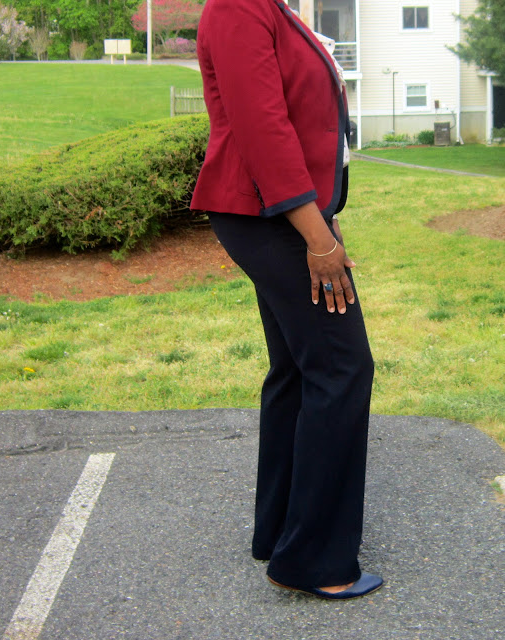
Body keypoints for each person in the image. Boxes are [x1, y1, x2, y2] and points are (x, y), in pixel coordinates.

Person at [190, 0, 383, 600]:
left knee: (299, 371)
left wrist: (320, 219)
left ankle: (279, 533)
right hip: (267, 213)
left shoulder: (269, 6)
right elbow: (262, 127)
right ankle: (315, 562)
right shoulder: (237, 6)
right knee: (342, 368)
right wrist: (317, 237)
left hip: (281, 213)